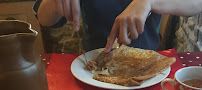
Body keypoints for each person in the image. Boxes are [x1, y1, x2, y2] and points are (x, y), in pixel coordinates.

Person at [33, 0, 202, 52]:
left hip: (147, 67)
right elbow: (44, 18)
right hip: (92, 66)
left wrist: (148, 1)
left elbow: (195, 4)